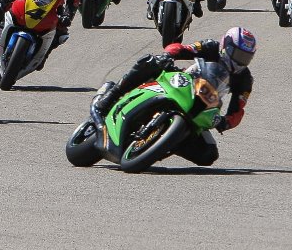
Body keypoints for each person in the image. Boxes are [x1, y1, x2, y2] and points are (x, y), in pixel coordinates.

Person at [92, 27, 257, 166]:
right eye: (238, 54)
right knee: (151, 62)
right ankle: (113, 94)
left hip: (204, 104)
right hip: (184, 83)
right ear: (225, 46)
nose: (240, 61)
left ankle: (164, 143)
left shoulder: (245, 79)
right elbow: (184, 48)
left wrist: (226, 122)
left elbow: (238, 108)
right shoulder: (211, 47)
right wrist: (169, 55)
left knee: (208, 154)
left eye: (246, 58)